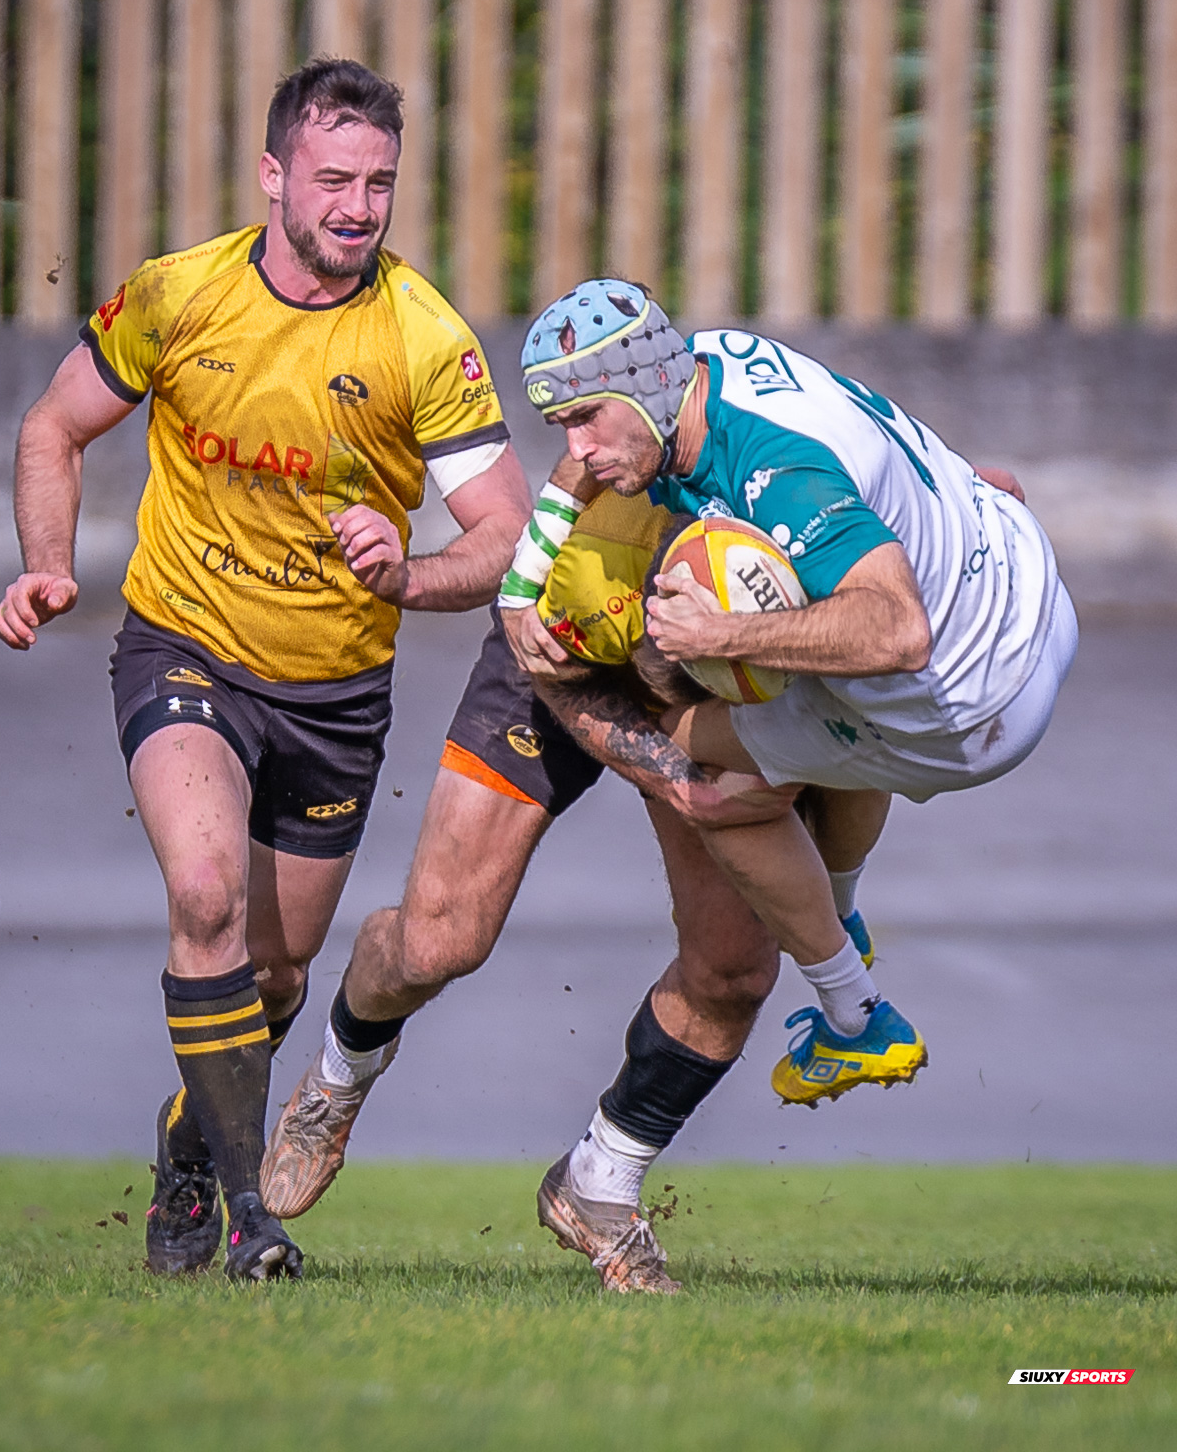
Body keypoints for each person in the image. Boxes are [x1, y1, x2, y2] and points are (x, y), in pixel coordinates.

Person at [0, 59, 532, 1282]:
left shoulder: (421, 335)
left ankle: (192, 1147)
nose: (359, 204)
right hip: (183, 648)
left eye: (380, 183)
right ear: (275, 175)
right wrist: (44, 563)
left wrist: (409, 573)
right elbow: (52, 427)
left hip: (337, 696)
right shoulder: (178, 296)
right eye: (335, 177)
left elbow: (508, 535)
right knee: (203, 894)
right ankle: (249, 1217)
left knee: (275, 974)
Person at [260, 483, 913, 1292]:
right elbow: (572, 686)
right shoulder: (585, 577)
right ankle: (340, 1070)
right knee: (438, 942)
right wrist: (677, 780)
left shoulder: (807, 522)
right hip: (556, 665)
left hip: (687, 675)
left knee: (737, 971)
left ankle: (600, 1183)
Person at [505, 279, 1076, 1106]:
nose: (579, 450)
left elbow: (896, 632)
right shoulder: (702, 368)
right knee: (799, 672)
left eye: (585, 419)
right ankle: (841, 912)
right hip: (1021, 563)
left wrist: (722, 637)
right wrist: (522, 585)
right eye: (563, 426)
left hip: (982, 700)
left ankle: (855, 1020)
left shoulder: (772, 469)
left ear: (644, 388)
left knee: (704, 775)